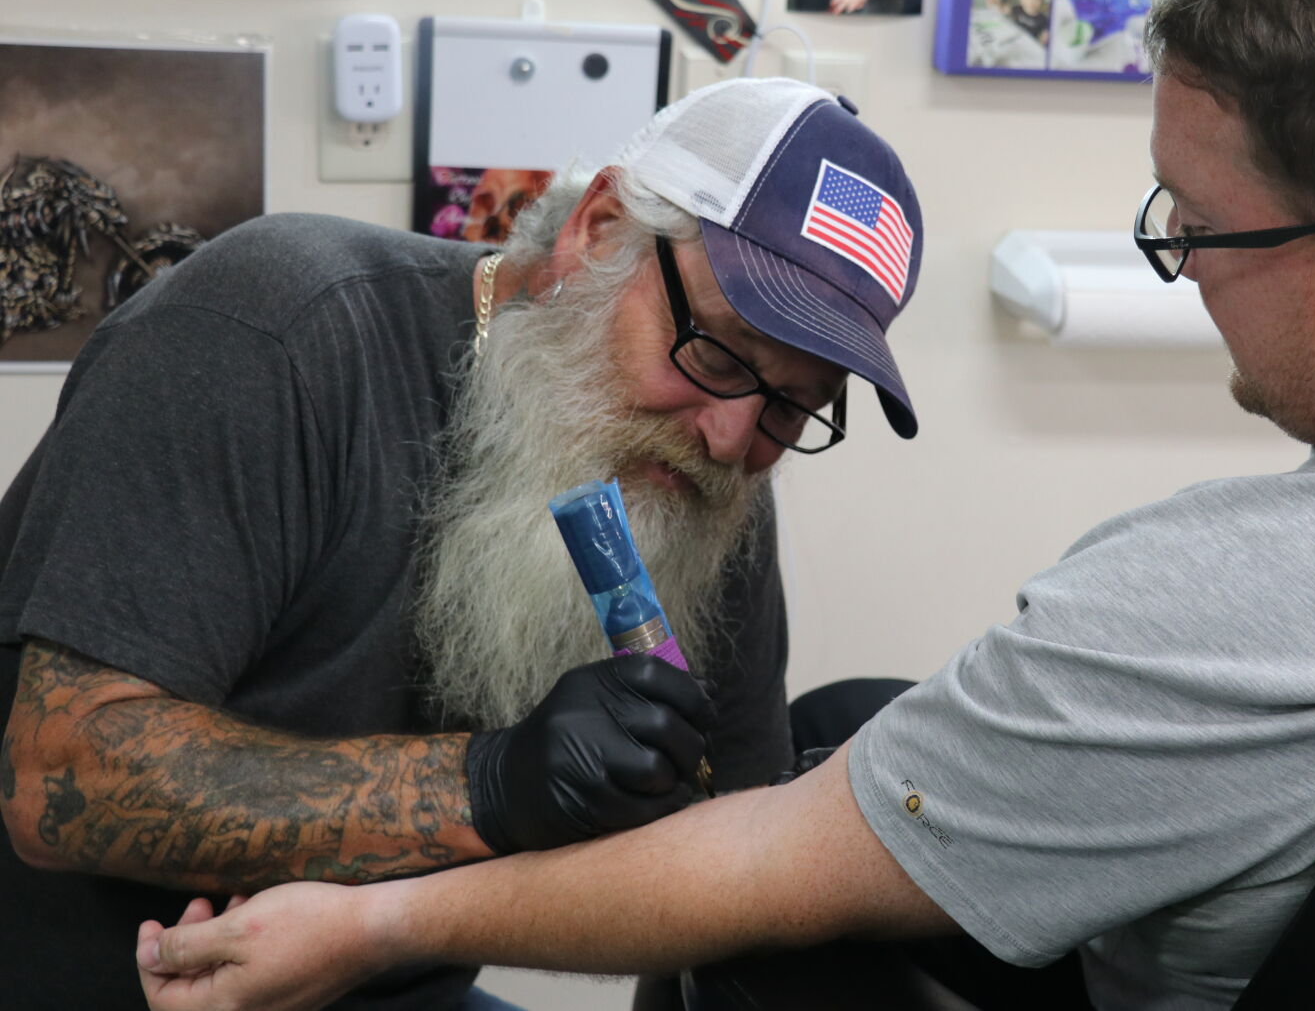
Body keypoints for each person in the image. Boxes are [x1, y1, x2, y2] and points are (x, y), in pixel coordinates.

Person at [134, 0, 1315, 1011]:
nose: (1178, 264)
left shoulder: (1203, 613)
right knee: (855, 717)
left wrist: (369, 926)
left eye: (1194, 228)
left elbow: (771, 860)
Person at [0, 76, 927, 1011]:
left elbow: (723, 861)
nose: (733, 438)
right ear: (598, 230)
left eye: (791, 404)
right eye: (718, 352)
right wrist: (487, 785)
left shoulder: (705, 476)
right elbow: (61, 774)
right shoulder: (277, 332)